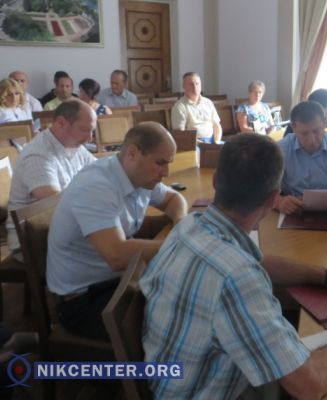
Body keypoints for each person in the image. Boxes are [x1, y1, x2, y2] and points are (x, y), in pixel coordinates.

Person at [141, 133, 327, 399]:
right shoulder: (237, 277)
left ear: (215, 181)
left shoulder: (190, 225)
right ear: (274, 199)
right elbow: (309, 384)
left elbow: (254, 261)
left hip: (168, 378)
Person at [46, 122, 187, 340]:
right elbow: (117, 256)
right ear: (132, 153)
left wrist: (181, 223)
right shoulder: (96, 185)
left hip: (118, 280)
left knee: (189, 295)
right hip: (83, 301)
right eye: (160, 163)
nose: (166, 173)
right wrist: (180, 244)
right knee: (180, 318)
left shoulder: (138, 176)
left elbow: (173, 198)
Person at [6, 100, 97, 259]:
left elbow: (100, 172)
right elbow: (56, 205)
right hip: (30, 241)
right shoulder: (38, 155)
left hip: (57, 229)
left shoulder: (73, 144)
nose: (89, 138)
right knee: (112, 253)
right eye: (84, 130)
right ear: (61, 123)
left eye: (92, 131)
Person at [171, 72, 222, 143]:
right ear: (184, 86)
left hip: (212, 140)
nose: (195, 87)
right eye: (191, 84)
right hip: (193, 143)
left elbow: (217, 125)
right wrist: (202, 144)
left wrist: (217, 141)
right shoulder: (179, 106)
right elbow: (181, 134)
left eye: (197, 84)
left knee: (232, 148)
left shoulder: (208, 102)